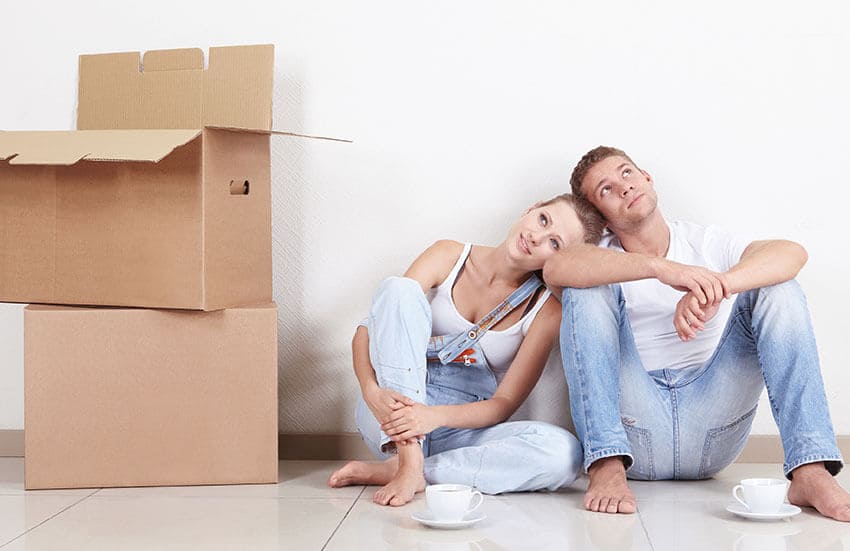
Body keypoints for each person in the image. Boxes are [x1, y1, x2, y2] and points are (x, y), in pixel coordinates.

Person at [543, 146, 850, 520]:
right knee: (584, 291)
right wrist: (662, 269)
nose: (623, 188)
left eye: (626, 174)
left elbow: (792, 252)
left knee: (778, 287)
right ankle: (605, 465)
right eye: (606, 190)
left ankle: (810, 470)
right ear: (602, 218)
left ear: (647, 178)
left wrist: (715, 287)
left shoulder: (705, 241)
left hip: (714, 424)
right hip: (634, 430)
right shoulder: (599, 256)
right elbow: (558, 266)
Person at [328, 194, 604, 506]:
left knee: (565, 453)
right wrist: (370, 391)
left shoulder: (546, 309)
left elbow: (503, 404)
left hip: (458, 430)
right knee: (398, 289)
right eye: (543, 220)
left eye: (554, 243)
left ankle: (409, 471)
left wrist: (432, 417)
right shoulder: (448, 255)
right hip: (388, 416)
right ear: (531, 209)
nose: (537, 237)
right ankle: (407, 459)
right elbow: (370, 329)